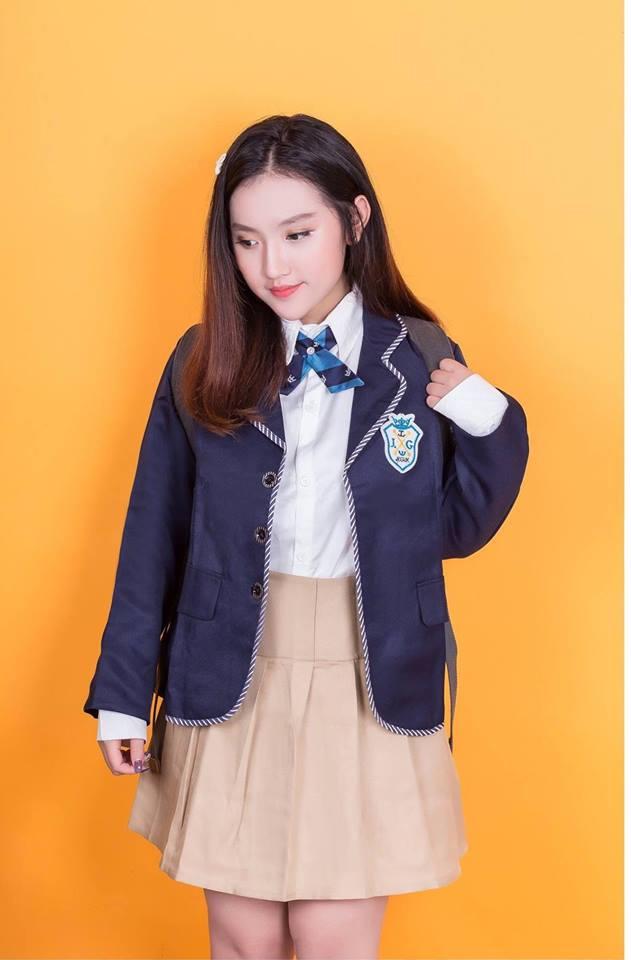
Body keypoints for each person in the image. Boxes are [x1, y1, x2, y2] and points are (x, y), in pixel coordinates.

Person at [84, 113, 529, 960]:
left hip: (368, 667)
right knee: (244, 936)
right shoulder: (202, 359)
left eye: (297, 234)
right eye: (245, 240)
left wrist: (491, 421)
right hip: (229, 659)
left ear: (354, 220)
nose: (272, 266)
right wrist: (122, 692)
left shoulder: (416, 357)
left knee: (332, 938)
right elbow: (153, 532)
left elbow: (454, 528)